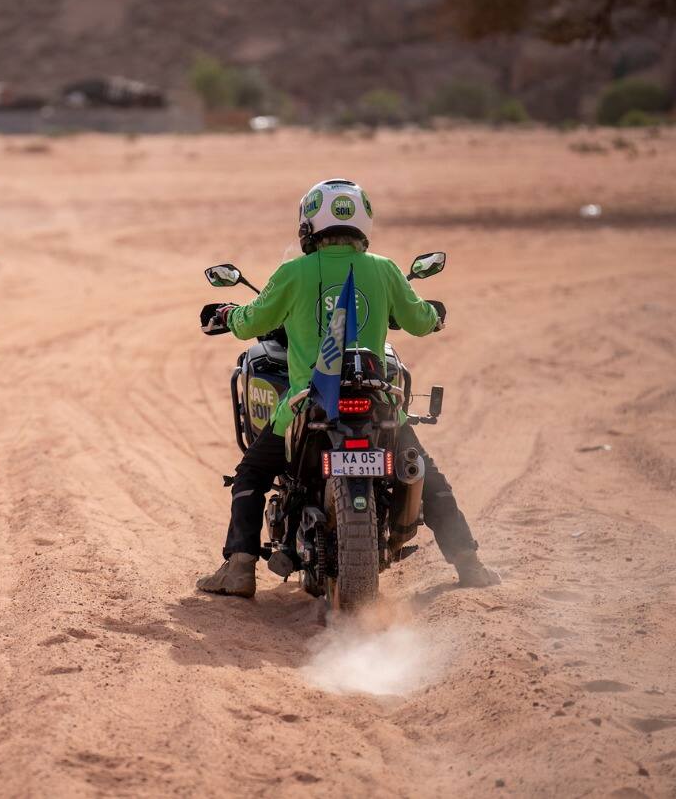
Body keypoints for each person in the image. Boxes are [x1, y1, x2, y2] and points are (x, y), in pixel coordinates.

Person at [196, 179, 498, 599]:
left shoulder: (293, 273)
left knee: (253, 472)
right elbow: (420, 320)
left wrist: (229, 315)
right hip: (375, 401)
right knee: (427, 477)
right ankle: (470, 565)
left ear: (309, 225)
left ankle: (240, 568)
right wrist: (435, 315)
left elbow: (251, 322)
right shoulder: (385, 269)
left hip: (308, 402)